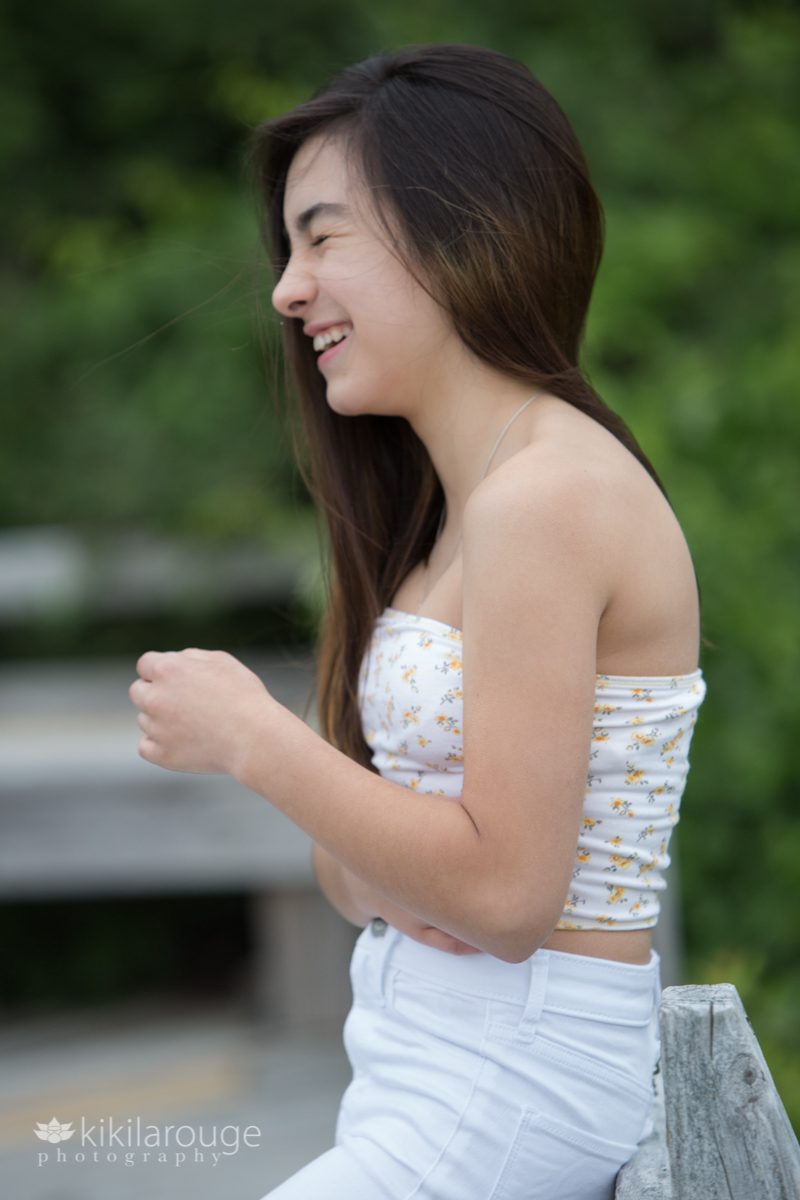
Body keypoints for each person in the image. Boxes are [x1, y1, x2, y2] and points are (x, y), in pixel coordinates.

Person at [129, 43, 709, 1199]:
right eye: (287, 247)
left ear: (458, 229)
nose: (288, 287)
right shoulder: (445, 515)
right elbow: (352, 874)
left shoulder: (546, 498)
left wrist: (255, 739)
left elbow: (499, 900)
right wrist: (407, 868)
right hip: (423, 1057)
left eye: (322, 235)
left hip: (516, 1075)